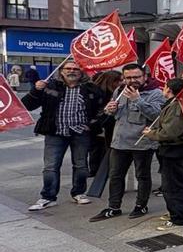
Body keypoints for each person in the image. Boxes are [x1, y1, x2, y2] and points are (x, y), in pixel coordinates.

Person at [23, 59, 106, 211]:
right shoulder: (49, 87)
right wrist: (36, 90)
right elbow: (27, 105)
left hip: (81, 133)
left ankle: (79, 193)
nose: (71, 71)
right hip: (55, 133)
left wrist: (91, 125)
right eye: (68, 68)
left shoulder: (91, 89)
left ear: (81, 72)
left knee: (81, 165)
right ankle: (48, 196)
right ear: (61, 71)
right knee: (51, 166)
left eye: (75, 68)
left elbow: (102, 110)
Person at [89, 62, 165, 221]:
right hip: (119, 141)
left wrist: (138, 100)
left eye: (136, 77)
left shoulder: (156, 93)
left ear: (144, 76)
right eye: (128, 77)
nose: (132, 81)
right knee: (116, 175)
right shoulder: (119, 90)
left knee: (142, 175)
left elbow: (157, 117)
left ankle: (141, 205)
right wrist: (109, 110)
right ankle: (113, 207)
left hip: (141, 142)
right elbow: (116, 114)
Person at [142, 78, 183, 230]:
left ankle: (179, 218)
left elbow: (171, 132)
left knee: (174, 186)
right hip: (176, 149)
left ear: (169, 89)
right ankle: (175, 212)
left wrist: (151, 133)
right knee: (174, 185)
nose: (163, 88)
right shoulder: (176, 103)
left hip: (176, 150)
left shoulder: (177, 106)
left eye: (165, 86)